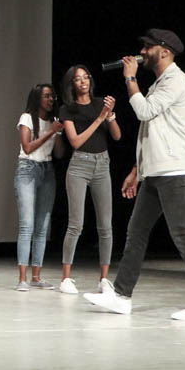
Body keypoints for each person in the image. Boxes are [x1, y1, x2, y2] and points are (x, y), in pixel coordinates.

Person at [83, 29, 185, 320]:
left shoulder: (177, 80)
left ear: (165, 51)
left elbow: (145, 112)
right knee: (136, 233)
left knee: (182, 232)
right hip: (156, 170)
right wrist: (138, 170)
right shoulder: (160, 83)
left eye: (148, 47)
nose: (143, 52)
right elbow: (152, 132)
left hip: (174, 168)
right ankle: (121, 296)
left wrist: (130, 79)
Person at [56, 65, 121, 294]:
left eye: (86, 77)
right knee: (76, 224)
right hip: (79, 165)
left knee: (106, 226)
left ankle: (104, 279)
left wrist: (110, 116)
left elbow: (117, 135)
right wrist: (99, 118)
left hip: (102, 164)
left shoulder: (100, 103)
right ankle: (66, 278)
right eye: (78, 79)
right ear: (71, 84)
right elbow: (75, 141)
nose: (83, 81)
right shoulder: (67, 109)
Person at [14, 83, 66, 291]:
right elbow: (27, 147)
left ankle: (36, 276)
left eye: (52, 96)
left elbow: (59, 153)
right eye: (46, 96)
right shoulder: (27, 118)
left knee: (42, 226)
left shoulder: (54, 121)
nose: (50, 99)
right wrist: (49, 132)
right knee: (27, 224)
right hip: (28, 168)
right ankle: (22, 278)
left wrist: (58, 133)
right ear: (37, 98)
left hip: (47, 169)